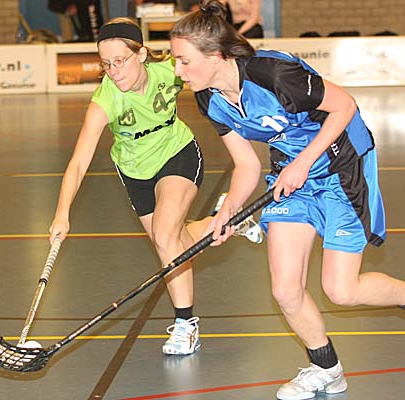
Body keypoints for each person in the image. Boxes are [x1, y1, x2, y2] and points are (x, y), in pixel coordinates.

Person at [170, 0, 405, 397]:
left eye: (184, 61)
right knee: (285, 289)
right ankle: (326, 368)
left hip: (341, 168)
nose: (178, 71)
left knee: (342, 291)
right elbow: (246, 164)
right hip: (290, 179)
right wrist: (227, 213)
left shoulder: (274, 74)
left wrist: (304, 163)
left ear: (216, 56)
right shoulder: (210, 98)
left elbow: (344, 106)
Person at [48, 17, 262, 356]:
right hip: (135, 173)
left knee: (165, 237)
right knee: (175, 244)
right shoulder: (106, 99)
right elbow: (78, 162)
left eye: (120, 61)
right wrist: (62, 214)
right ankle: (227, 221)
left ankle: (186, 324)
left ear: (142, 54)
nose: (113, 71)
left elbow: (212, 71)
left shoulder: (169, 72)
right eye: (106, 64)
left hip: (177, 154)